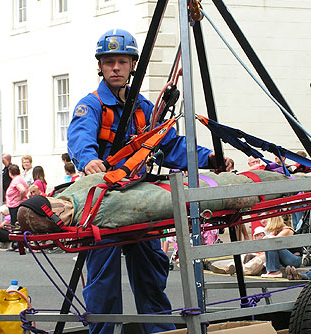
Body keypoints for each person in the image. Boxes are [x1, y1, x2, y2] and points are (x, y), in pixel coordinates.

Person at [67, 29, 233, 334]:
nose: (115, 67)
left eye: (121, 61)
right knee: (102, 287)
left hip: (139, 200)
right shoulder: (90, 106)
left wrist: (208, 159)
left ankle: (159, 331)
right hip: (105, 205)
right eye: (108, 62)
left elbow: (171, 146)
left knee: (151, 278)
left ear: (132, 65)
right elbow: (80, 139)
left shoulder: (143, 110)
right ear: (100, 66)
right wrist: (88, 159)